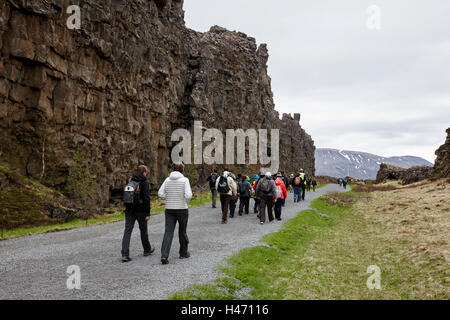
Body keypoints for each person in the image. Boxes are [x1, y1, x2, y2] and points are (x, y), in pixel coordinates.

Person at [158, 162, 193, 265]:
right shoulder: (185, 180)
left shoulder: (167, 180)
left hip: (169, 209)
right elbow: (189, 195)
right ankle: (183, 252)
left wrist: (168, 197)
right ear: (182, 170)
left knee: (168, 232)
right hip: (182, 209)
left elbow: (160, 193)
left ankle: (164, 255)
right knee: (182, 231)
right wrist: (185, 202)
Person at [121, 165, 154, 263]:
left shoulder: (130, 180)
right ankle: (147, 250)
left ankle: (125, 254)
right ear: (144, 172)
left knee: (127, 231)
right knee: (143, 230)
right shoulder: (144, 182)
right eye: (146, 172)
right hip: (141, 210)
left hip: (129, 209)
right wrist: (148, 213)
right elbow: (146, 198)